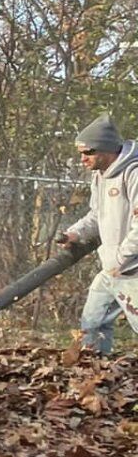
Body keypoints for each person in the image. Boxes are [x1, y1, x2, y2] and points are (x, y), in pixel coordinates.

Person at [58, 114, 138, 355]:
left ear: (107, 149)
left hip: (133, 269)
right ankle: (94, 372)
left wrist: (121, 259)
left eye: (88, 152)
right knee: (92, 323)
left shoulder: (133, 174)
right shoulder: (99, 175)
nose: (82, 159)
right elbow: (96, 215)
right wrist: (75, 233)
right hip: (112, 269)